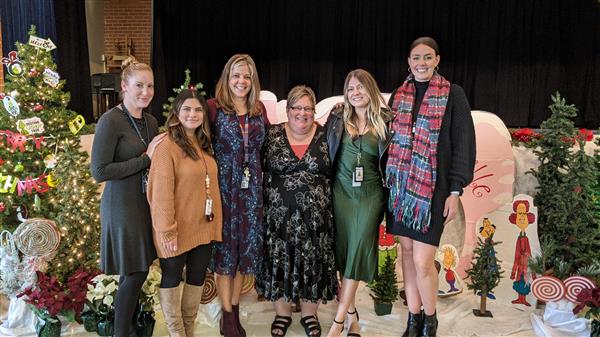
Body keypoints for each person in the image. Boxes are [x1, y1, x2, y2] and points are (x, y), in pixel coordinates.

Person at [385, 37, 476, 337]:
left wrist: (455, 191)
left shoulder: (454, 94)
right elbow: (386, 143)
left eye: (427, 57)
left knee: (424, 261)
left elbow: (463, 144)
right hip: (401, 190)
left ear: (437, 59)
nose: (421, 63)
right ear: (408, 62)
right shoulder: (398, 95)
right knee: (407, 255)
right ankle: (413, 319)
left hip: (432, 191)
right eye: (415, 58)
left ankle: (430, 320)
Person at [91, 56, 165, 337]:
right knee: (136, 271)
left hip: (144, 202)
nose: (145, 92)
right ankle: (122, 332)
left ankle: (129, 327)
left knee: (134, 270)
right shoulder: (110, 121)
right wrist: (145, 159)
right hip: (121, 205)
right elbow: (99, 171)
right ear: (124, 86)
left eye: (150, 86)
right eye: (138, 86)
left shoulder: (150, 120)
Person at [256, 85, 337, 337]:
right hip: (277, 220)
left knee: (313, 262)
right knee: (279, 259)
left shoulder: (327, 136)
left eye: (308, 108)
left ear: (314, 111)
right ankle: (282, 313)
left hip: (316, 221)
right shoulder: (271, 134)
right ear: (288, 109)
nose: (302, 113)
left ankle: (309, 313)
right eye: (297, 107)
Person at [147, 89, 223, 336]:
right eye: (187, 109)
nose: (193, 114)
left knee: (197, 276)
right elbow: (160, 193)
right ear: (177, 114)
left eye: (198, 109)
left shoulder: (203, 144)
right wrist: (167, 231)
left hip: (203, 227)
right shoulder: (166, 146)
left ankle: (188, 329)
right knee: (171, 277)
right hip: (175, 229)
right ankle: (176, 332)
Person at [326, 69, 394, 337]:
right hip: (340, 192)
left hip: (371, 195)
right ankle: (353, 316)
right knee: (343, 252)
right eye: (351, 88)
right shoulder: (337, 116)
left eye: (361, 87)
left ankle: (339, 320)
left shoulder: (387, 120)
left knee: (357, 248)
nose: (356, 93)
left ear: (371, 89)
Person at [207, 54, 268, 337]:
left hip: (251, 190)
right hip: (223, 189)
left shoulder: (259, 110)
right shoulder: (213, 108)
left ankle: (234, 307)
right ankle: (227, 315)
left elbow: (266, 150)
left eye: (246, 76)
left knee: (244, 251)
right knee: (224, 251)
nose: (241, 81)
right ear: (227, 78)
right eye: (236, 76)